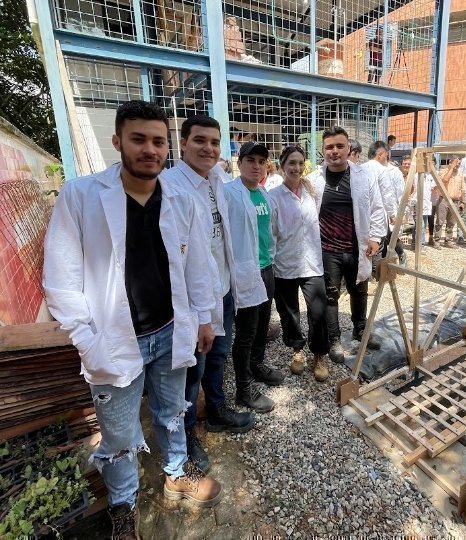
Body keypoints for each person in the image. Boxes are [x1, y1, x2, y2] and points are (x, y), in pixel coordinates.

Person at [43, 101, 223, 538]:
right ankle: (123, 504)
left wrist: (203, 318)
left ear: (168, 148)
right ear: (117, 141)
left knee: (171, 409)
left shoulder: (181, 198)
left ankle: (176, 472)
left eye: (158, 141)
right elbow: (61, 276)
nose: (149, 149)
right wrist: (87, 340)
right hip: (114, 339)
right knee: (120, 433)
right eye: (138, 139)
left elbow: (198, 264)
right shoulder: (82, 195)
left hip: (169, 330)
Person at [161, 115, 255, 474]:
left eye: (215, 142)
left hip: (223, 291)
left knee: (218, 358)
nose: (209, 148)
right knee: (190, 373)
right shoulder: (171, 187)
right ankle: (184, 439)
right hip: (192, 303)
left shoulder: (217, 180)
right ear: (182, 142)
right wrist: (197, 312)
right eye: (200, 140)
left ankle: (215, 412)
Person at [311, 126, 386, 364]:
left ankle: (360, 329)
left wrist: (375, 237)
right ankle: (334, 339)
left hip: (357, 247)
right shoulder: (314, 180)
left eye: (339, 146)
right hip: (327, 250)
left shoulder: (364, 176)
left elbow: (376, 208)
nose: (334, 151)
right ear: (323, 151)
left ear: (348, 149)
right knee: (331, 296)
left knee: (359, 290)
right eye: (329, 147)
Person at [224, 141, 285, 414]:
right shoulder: (229, 194)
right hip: (245, 271)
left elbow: (269, 233)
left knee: (262, 325)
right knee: (246, 333)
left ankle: (257, 365)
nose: (256, 166)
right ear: (240, 164)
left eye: (261, 161)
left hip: (265, 268)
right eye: (251, 160)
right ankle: (243, 389)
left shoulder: (264, 194)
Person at [268, 146, 330, 382]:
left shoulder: (310, 191)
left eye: (300, 162)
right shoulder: (273, 197)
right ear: (283, 165)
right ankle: (297, 350)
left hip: (312, 263)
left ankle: (319, 354)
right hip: (284, 263)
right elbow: (271, 234)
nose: (296, 167)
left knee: (318, 311)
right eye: (291, 163)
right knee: (289, 312)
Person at [364, 140, 407, 265]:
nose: (386, 159)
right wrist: (393, 215)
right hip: (380, 213)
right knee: (380, 242)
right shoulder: (382, 170)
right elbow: (387, 195)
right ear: (380, 154)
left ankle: (372, 269)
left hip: (365, 214)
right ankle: (377, 271)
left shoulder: (361, 168)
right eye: (386, 155)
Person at [433, 156, 464, 248]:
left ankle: (448, 240)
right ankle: (437, 240)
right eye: (455, 163)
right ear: (450, 163)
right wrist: (451, 168)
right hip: (444, 200)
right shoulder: (443, 172)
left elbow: (462, 189)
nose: (457, 165)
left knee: (451, 222)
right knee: (440, 221)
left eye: (458, 164)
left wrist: (462, 201)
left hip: (455, 201)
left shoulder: (460, 174)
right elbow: (445, 180)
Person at [406, 154, 435, 247]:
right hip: (418, 203)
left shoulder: (430, 176)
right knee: (420, 225)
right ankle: (418, 243)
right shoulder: (416, 175)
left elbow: (433, 188)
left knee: (423, 225)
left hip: (427, 203)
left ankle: (418, 242)